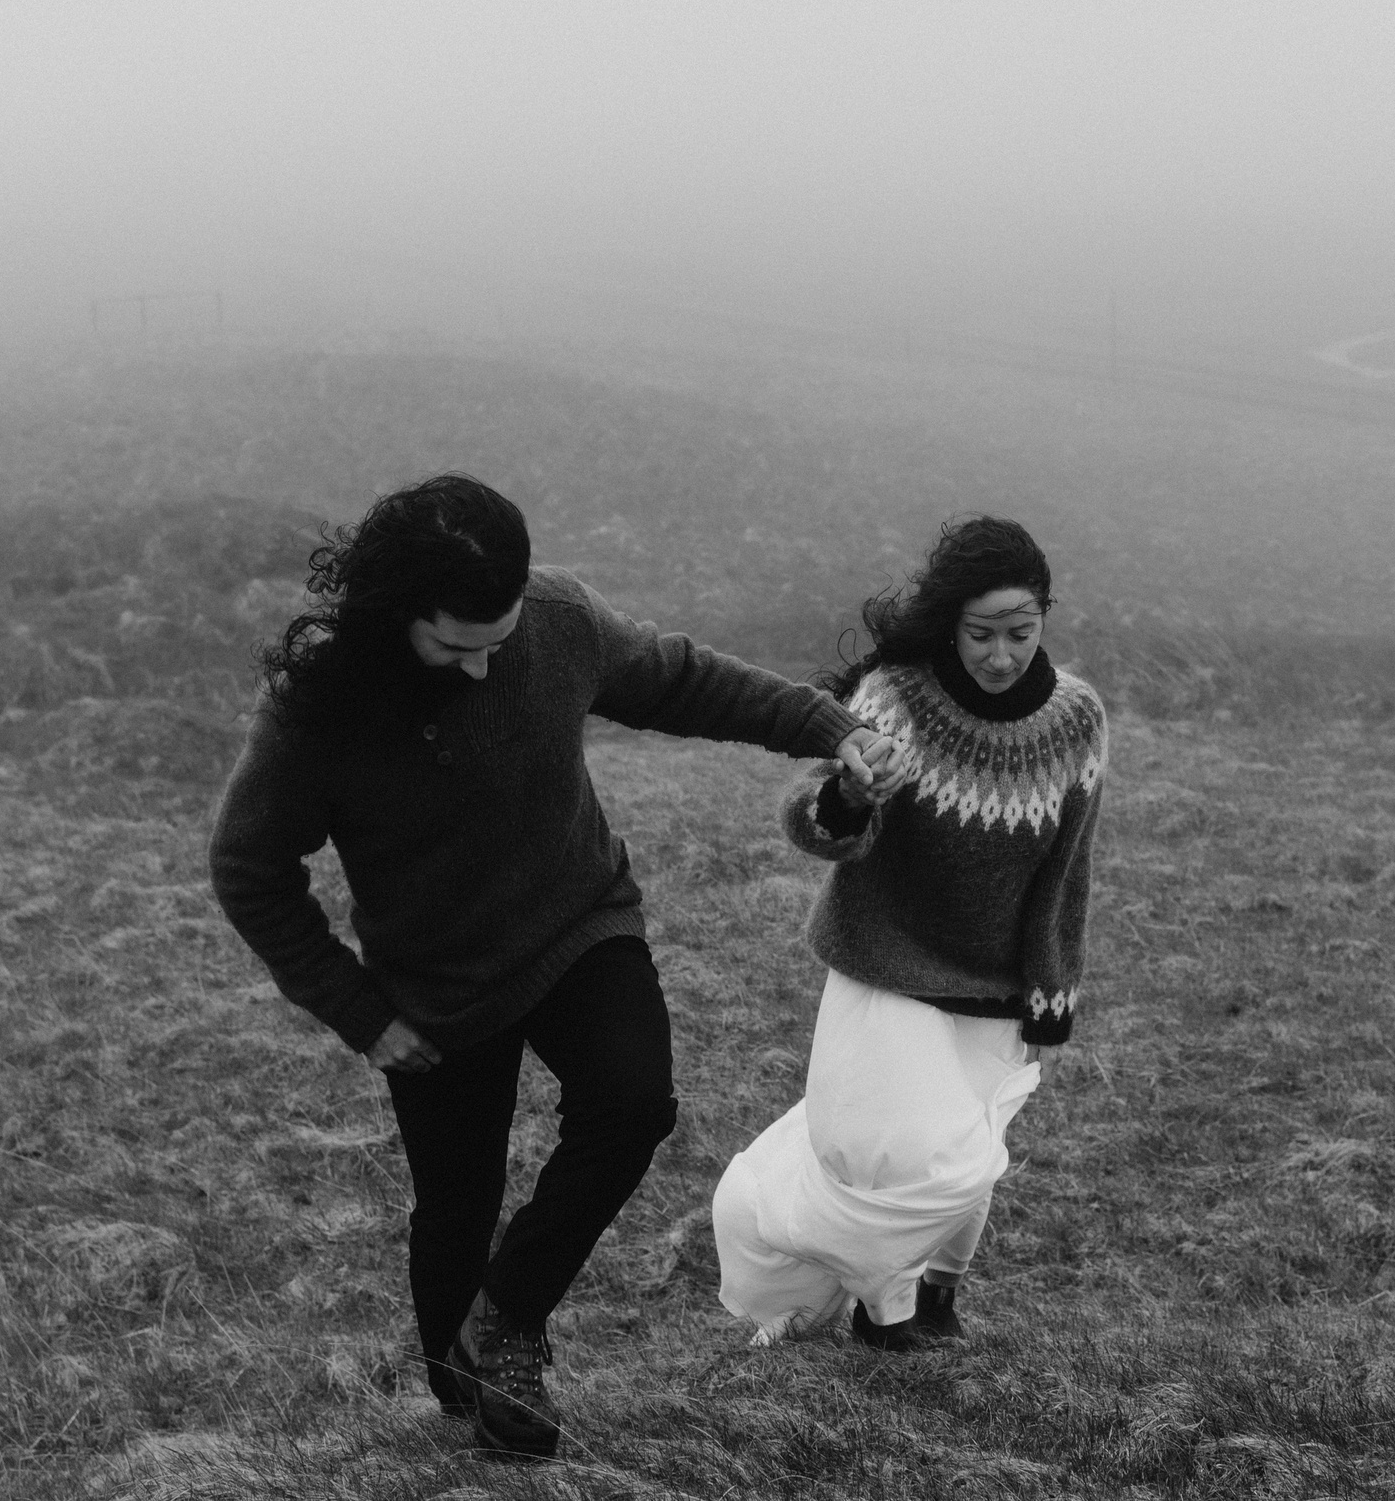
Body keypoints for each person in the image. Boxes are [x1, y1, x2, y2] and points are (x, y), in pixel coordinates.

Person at [208, 473, 890, 1461]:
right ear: (392, 615)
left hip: (579, 926)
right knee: (458, 1204)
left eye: (499, 638)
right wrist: (354, 1007)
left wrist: (829, 728)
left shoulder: (558, 621)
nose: (483, 668)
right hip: (435, 984)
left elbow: (679, 677)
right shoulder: (319, 715)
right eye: (453, 647)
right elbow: (247, 866)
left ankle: (507, 1321)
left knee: (632, 1104)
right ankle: (464, 1398)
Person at [711, 515, 1106, 1351]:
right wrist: (852, 796)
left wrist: (1051, 987)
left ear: (1045, 620)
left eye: (1021, 633)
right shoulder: (894, 697)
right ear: (949, 625)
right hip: (884, 959)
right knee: (923, 1159)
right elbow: (814, 826)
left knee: (972, 1154)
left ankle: (933, 1301)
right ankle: (841, 1281)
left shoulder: (1077, 721)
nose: (1001, 654)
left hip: (993, 980)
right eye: (981, 634)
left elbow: (1066, 870)